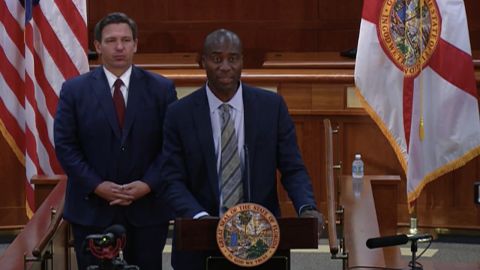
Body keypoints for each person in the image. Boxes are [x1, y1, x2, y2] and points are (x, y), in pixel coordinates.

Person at [159, 28, 324, 270]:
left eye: (233, 58)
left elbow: (292, 168)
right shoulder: (179, 114)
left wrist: (306, 207)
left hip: (261, 237)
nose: (225, 66)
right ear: (202, 61)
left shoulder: (271, 107)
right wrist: (201, 219)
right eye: (217, 59)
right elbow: (171, 179)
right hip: (201, 237)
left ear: (242, 61)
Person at [54, 12, 177, 270]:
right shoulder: (74, 90)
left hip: (147, 210)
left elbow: (172, 146)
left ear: (135, 44)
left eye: (125, 40)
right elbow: (66, 147)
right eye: (111, 40)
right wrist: (97, 185)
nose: (119, 47)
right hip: (92, 209)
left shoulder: (161, 89)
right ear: (98, 46)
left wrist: (147, 184)